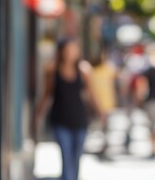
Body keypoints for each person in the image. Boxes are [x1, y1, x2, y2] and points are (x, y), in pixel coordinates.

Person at [34, 37, 103, 180]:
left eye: (73, 50)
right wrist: (38, 115)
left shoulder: (83, 70)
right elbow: (47, 94)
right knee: (66, 158)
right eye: (67, 50)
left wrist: (100, 111)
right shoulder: (52, 71)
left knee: (76, 159)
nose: (70, 53)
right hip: (60, 120)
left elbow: (91, 94)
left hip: (79, 119)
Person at [89, 50, 118, 160]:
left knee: (105, 126)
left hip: (107, 103)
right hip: (98, 102)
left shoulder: (107, 69)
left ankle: (104, 145)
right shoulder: (92, 71)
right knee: (99, 125)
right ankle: (102, 144)